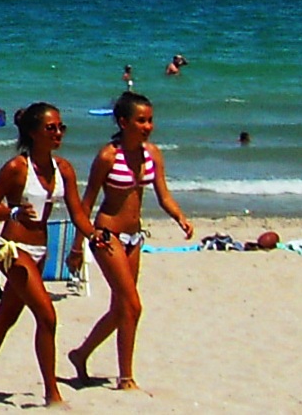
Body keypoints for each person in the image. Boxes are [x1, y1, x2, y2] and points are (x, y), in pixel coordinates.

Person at [0, 103, 94, 406]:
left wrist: (93, 236)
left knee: (6, 316)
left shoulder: (64, 169)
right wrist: (12, 210)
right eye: (51, 128)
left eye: (61, 127)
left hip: (40, 251)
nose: (58, 132)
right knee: (47, 316)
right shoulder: (16, 168)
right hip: (12, 249)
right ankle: (52, 393)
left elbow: (77, 212)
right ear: (34, 133)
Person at [71, 91, 194, 393]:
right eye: (141, 120)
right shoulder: (107, 156)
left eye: (150, 120)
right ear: (123, 122)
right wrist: (77, 245)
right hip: (106, 234)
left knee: (120, 308)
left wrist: (180, 217)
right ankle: (126, 377)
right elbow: (86, 204)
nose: (148, 126)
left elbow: (163, 195)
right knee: (132, 306)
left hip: (134, 238)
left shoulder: (153, 154)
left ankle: (81, 354)